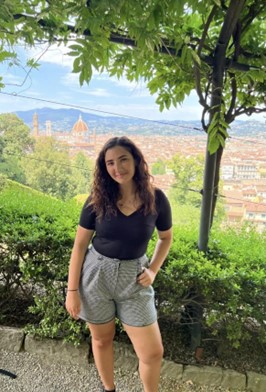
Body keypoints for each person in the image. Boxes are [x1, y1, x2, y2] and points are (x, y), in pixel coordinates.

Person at [65, 136, 172, 392]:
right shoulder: (96, 200)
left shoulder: (156, 199)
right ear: (104, 168)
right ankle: (109, 389)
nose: (117, 168)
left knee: (153, 352)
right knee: (102, 340)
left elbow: (165, 238)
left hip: (135, 279)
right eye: (110, 163)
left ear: (136, 160)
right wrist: (72, 292)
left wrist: (154, 269)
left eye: (123, 159)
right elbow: (79, 246)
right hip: (96, 276)